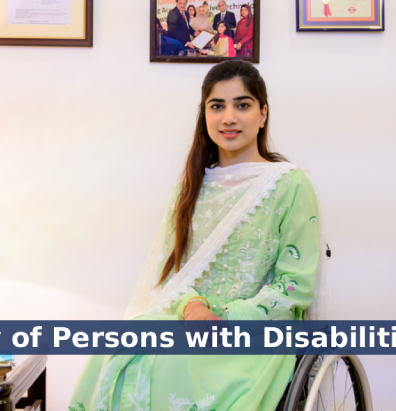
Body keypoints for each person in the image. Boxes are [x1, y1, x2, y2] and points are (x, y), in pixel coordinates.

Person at [68, 61, 326, 411]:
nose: (229, 118)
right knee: (116, 350)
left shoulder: (289, 184)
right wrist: (193, 307)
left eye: (243, 105)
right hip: (189, 319)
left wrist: (228, 319)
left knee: (172, 363)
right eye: (217, 106)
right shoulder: (189, 189)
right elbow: (171, 274)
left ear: (263, 114)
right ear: (204, 115)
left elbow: (296, 285)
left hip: (255, 330)